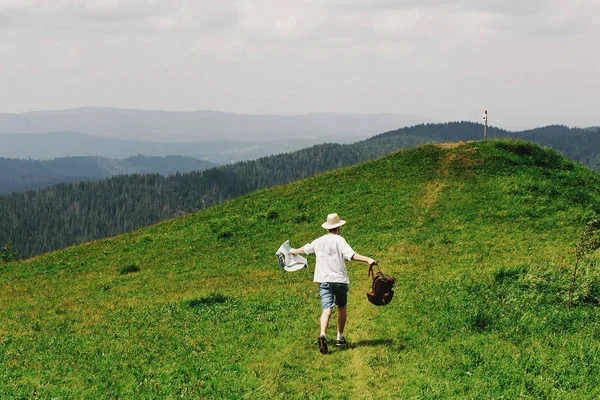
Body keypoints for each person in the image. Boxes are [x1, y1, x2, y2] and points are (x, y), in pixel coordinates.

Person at [289, 213, 377, 354]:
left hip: (324, 280)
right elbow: (351, 255)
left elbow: (306, 249)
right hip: (340, 281)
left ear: (328, 227)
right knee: (341, 307)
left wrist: (293, 251)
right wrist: (368, 259)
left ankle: (323, 334)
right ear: (339, 227)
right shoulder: (339, 240)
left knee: (326, 309)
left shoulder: (319, 241)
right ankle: (339, 337)